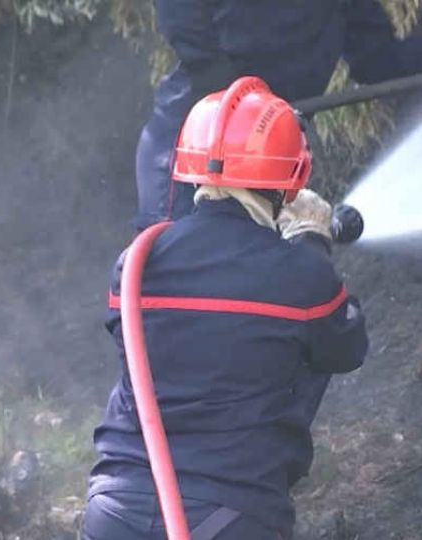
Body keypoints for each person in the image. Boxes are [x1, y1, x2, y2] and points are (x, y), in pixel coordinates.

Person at [84, 76, 368, 540]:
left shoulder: (137, 263)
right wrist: (313, 240)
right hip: (227, 517)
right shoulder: (299, 277)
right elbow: (346, 347)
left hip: (116, 509)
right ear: (290, 177)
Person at [134, 0, 422, 230]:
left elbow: (377, 58)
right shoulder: (201, 37)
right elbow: (188, 30)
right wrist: (243, 102)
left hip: (263, 169)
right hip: (189, 159)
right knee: (177, 291)